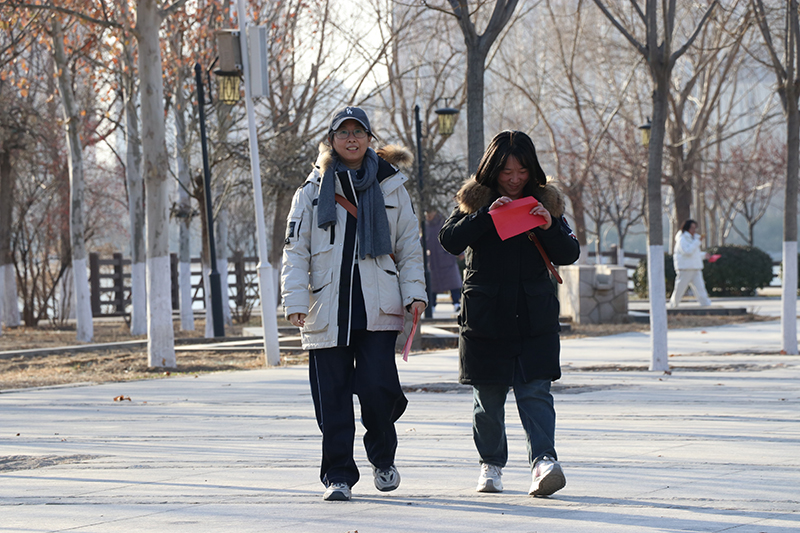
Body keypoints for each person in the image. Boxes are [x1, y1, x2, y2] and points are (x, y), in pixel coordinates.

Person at [281, 106, 427, 502]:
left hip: (377, 305)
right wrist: (294, 299)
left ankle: (383, 457)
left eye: (358, 132)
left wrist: (415, 293)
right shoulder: (311, 190)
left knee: (379, 389)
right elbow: (295, 249)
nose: (351, 139)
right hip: (327, 307)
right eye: (343, 133)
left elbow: (409, 246)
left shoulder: (391, 186)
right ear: (331, 140)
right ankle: (338, 475)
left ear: (369, 139)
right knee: (332, 399)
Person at [439, 130, 580, 497]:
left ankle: (544, 462)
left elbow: (569, 253)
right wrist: (487, 216)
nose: (515, 179)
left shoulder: (545, 202)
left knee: (536, 392)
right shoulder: (475, 199)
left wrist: (548, 226)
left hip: (534, 316)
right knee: (487, 399)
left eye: (521, 171)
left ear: (532, 169)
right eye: (506, 171)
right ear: (493, 169)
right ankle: (490, 464)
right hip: (485, 317)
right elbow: (449, 240)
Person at [425, 211, 463, 314]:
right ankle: (432, 305)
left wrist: (460, 252)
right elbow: (423, 241)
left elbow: (454, 237)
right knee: (433, 285)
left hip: (447, 259)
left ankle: (456, 303)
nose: (428, 215)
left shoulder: (443, 222)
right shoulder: (426, 226)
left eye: (430, 213)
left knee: (453, 283)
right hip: (433, 261)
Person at [669, 219, 712, 308]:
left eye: (695, 228)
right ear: (687, 228)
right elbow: (687, 252)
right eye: (692, 228)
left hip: (695, 267)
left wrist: (704, 255)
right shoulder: (682, 239)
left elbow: (694, 254)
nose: (694, 230)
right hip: (685, 268)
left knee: (701, 288)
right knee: (680, 289)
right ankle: (673, 305)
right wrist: (697, 242)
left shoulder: (694, 239)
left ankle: (706, 304)